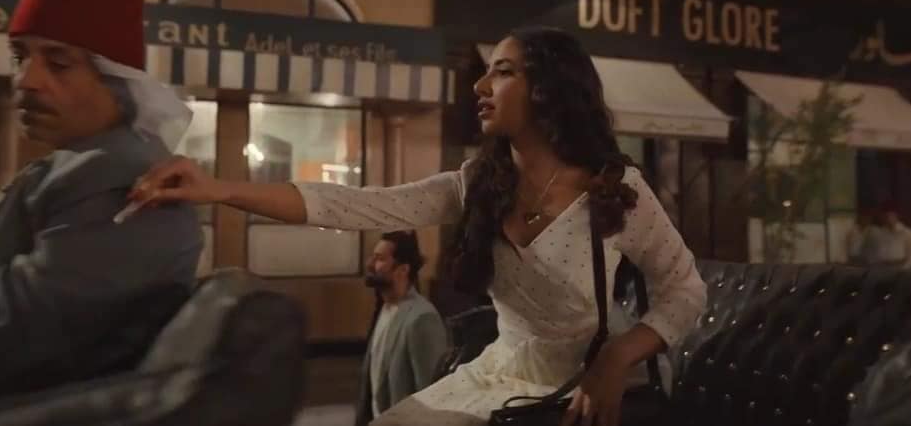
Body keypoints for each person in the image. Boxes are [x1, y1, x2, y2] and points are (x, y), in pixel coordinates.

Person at [129, 27, 707, 426]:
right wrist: (217, 189)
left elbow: (685, 290)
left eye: (502, 73)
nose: (479, 87)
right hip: (499, 374)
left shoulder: (616, 188)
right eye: (485, 73)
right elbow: (353, 205)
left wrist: (616, 359)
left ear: (548, 90)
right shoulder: (477, 184)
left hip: (584, 387)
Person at [0, 0, 202, 401]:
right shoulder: (79, 162)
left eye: (58, 64)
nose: (25, 80)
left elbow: (10, 341)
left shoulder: (122, 174)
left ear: (118, 82)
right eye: (20, 57)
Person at [357, 231, 447, 426]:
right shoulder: (384, 309)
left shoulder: (422, 318)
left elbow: (431, 395)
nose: (370, 264)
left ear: (403, 269)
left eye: (380, 259)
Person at [866, 202, 911, 269]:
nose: (888, 218)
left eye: (890, 215)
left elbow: (909, 258)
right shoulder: (878, 234)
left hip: (901, 269)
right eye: (885, 216)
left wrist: (903, 270)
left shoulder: (906, 233)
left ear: (897, 215)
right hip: (881, 269)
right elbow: (871, 254)